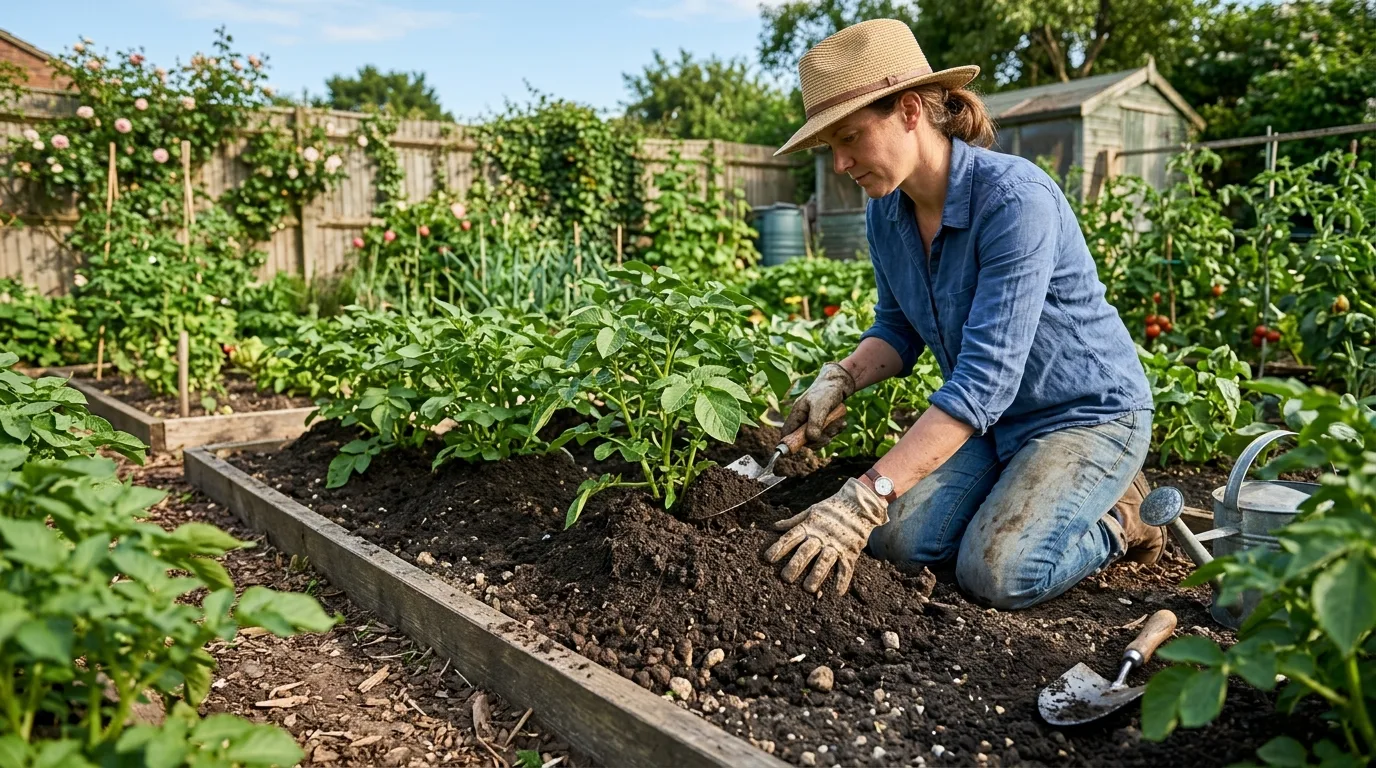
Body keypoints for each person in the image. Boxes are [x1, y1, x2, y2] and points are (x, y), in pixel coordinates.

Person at [764, 19, 1162, 609]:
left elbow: (983, 381)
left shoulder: (1014, 201)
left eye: (849, 138)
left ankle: (1121, 516)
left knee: (998, 572)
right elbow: (898, 329)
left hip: (1085, 416)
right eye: (832, 148)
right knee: (896, 541)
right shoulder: (887, 213)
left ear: (908, 111)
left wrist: (864, 494)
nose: (842, 162)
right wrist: (841, 377)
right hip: (994, 423)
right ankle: (1020, 491)